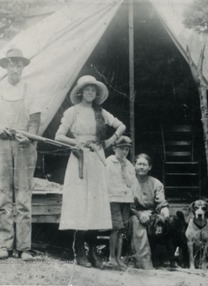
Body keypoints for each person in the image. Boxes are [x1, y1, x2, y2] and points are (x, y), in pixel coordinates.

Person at [0, 48, 41, 260]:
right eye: (11, 64)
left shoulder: (30, 88)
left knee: (23, 196)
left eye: (19, 65)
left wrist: (28, 136)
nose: (15, 69)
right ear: (6, 67)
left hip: (24, 147)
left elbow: (35, 119)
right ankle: (5, 246)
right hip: (1, 146)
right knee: (3, 194)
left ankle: (24, 248)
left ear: (22, 67)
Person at [55, 75, 126, 268]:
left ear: (96, 93)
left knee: (96, 203)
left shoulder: (101, 112)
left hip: (97, 158)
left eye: (93, 90)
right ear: (80, 92)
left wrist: (109, 142)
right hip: (79, 158)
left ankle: (93, 251)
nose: (90, 92)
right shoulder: (73, 111)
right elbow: (59, 135)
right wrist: (76, 142)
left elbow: (121, 126)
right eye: (87, 89)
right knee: (81, 203)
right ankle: (79, 251)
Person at [129, 153, 169, 269]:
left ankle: (167, 258)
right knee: (137, 222)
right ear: (134, 165)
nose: (141, 167)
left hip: (152, 213)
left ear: (149, 167)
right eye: (139, 164)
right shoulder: (129, 182)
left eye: (144, 165)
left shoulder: (156, 183)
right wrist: (139, 214)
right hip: (133, 213)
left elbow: (161, 202)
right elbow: (128, 205)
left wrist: (165, 212)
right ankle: (143, 262)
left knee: (166, 221)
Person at [104, 135, 136, 269]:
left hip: (125, 199)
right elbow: (105, 183)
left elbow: (131, 183)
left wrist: (124, 168)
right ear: (114, 148)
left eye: (127, 150)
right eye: (122, 149)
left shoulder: (129, 165)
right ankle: (112, 257)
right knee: (116, 228)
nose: (124, 152)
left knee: (122, 228)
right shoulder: (108, 162)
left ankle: (118, 258)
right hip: (113, 199)